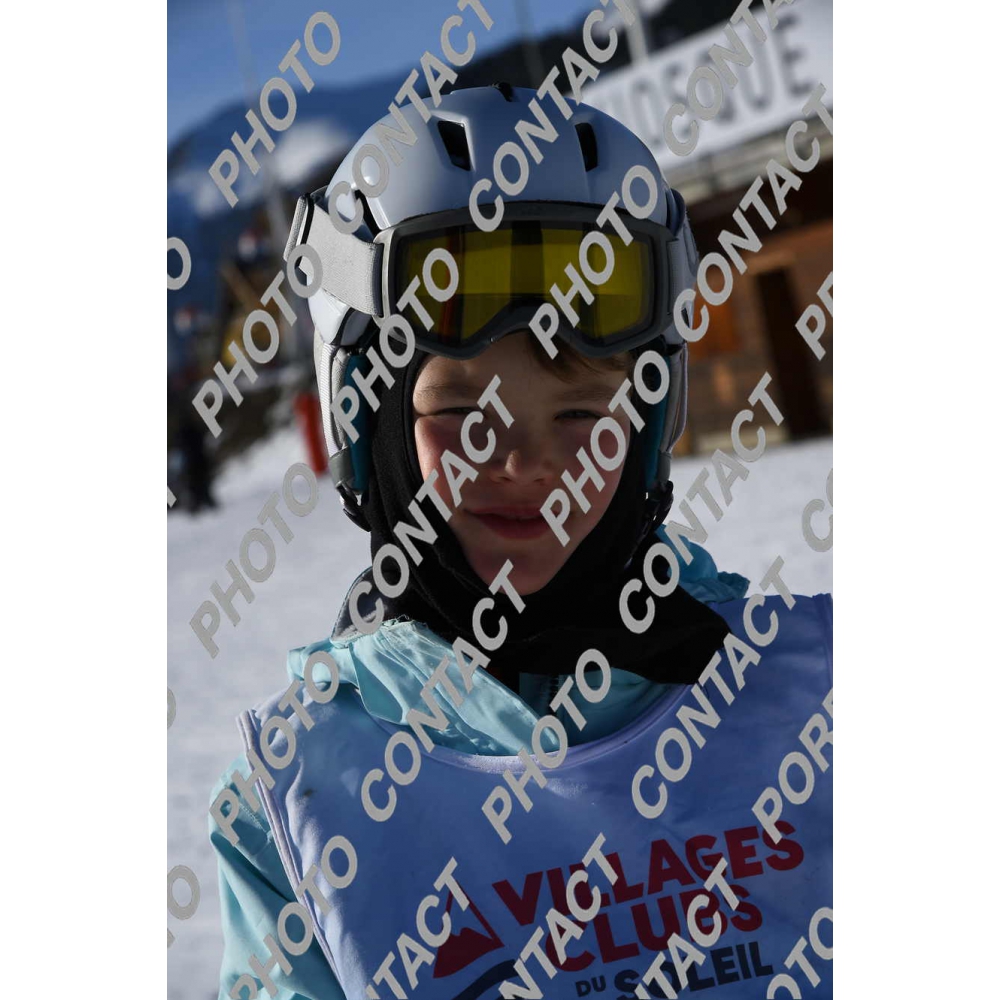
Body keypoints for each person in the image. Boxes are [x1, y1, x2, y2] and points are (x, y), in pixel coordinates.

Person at [210, 86, 832, 1000]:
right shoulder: (304, 798)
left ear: (651, 422)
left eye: (583, 414)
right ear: (366, 422)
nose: (528, 463)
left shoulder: (812, 693)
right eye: (464, 414)